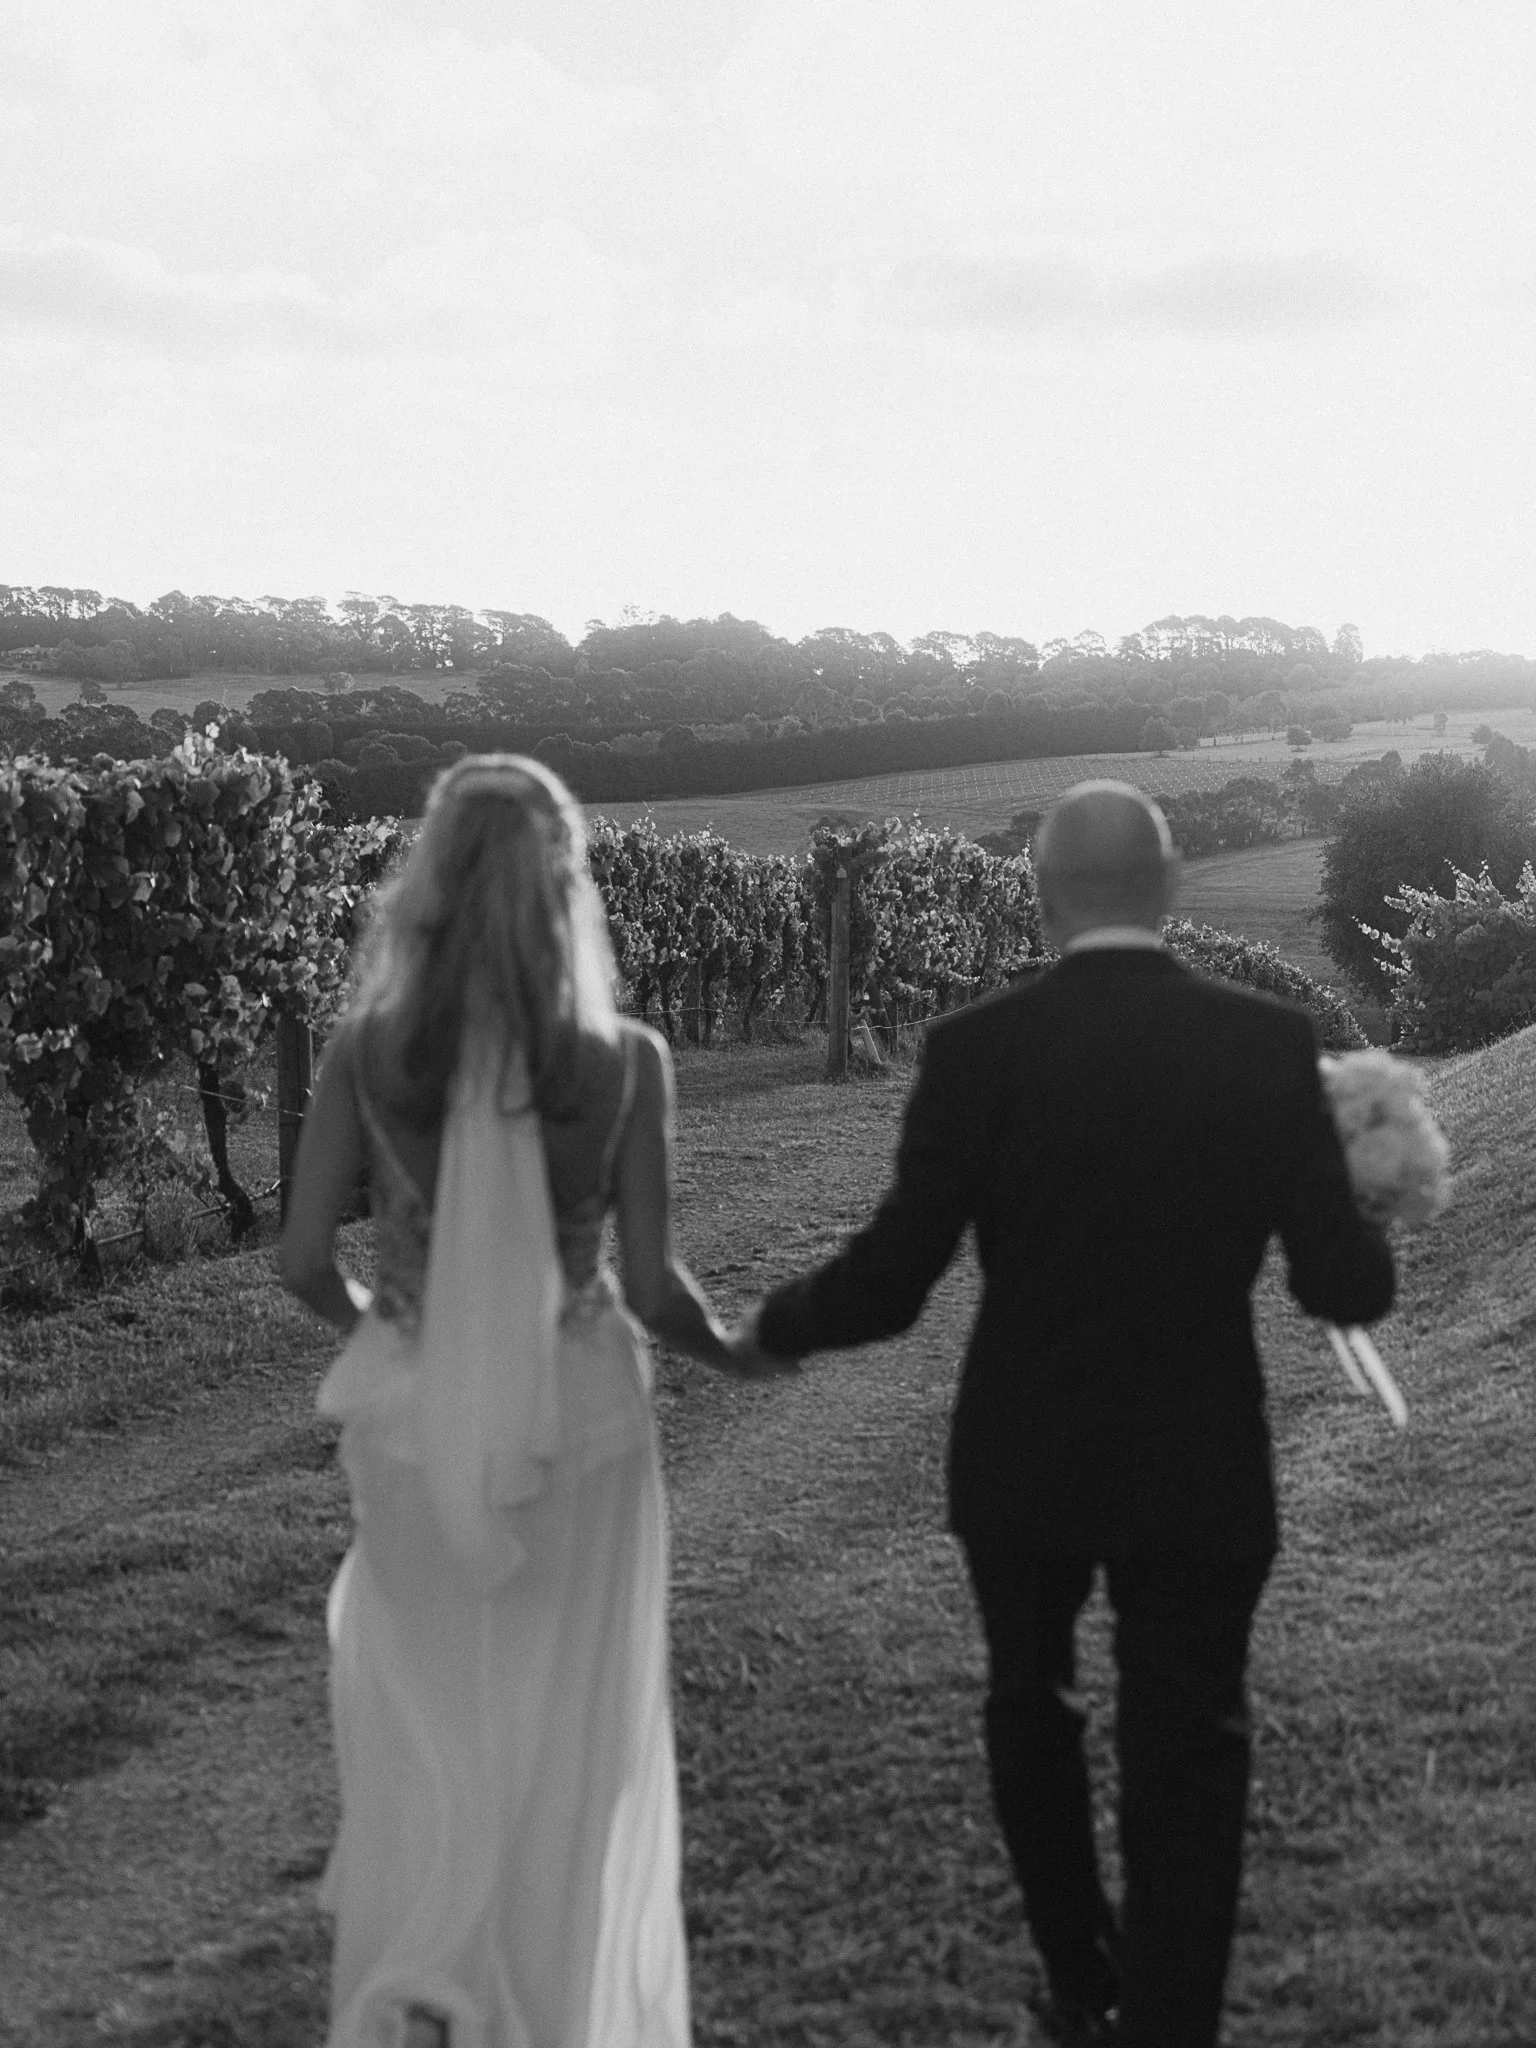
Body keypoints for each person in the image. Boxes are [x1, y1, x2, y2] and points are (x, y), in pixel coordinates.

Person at [738, 781, 1394, 2048]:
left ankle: (1079, 1978)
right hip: (1202, 1457)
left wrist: (776, 1328)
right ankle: (1168, 2018)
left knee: (1027, 1702)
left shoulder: (976, 1047)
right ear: (1169, 889)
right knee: (1191, 1731)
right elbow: (1343, 1284)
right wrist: (1370, 1190)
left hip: (1023, 1449)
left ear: (1040, 900)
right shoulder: (1265, 1041)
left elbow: (895, 1274)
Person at [281, 753, 786, 2048]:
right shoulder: (625, 1062)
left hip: (412, 1423)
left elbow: (297, 1262)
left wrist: (402, 1339)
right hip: (582, 1416)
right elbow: (662, 1290)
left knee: (430, 1718)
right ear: (566, 880)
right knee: (573, 1741)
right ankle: (553, 2008)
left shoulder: (365, 1053)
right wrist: (742, 1356)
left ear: (431, 882)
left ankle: (432, 1995)